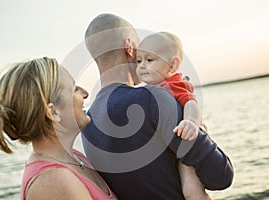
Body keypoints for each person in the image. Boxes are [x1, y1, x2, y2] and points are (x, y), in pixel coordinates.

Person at [82, 13, 233, 200]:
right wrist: (199, 127)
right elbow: (221, 175)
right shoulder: (152, 98)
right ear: (129, 46)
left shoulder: (86, 125)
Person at [0, 57, 117, 200]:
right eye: (74, 89)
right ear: (53, 112)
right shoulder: (54, 181)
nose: (85, 93)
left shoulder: (74, 158)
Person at [136, 32, 211, 199]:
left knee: (192, 190)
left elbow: (191, 102)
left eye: (149, 60)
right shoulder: (148, 91)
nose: (141, 66)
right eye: (138, 60)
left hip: (186, 139)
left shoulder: (174, 84)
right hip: (170, 148)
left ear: (172, 65)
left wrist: (191, 122)